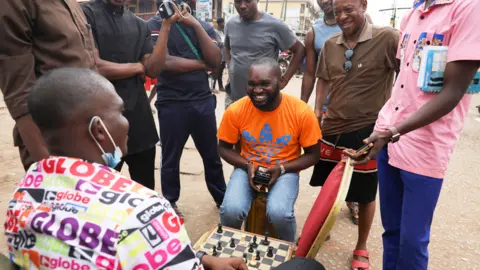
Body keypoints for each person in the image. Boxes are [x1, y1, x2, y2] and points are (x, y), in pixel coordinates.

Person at [4, 68, 248, 270]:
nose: (126, 121)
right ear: (99, 130)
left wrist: (200, 259)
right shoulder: (142, 210)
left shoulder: (22, 195)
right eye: (120, 112)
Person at [345, 0, 480, 269]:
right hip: (390, 141)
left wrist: (393, 131)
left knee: (412, 241)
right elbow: (403, 82)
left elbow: (453, 92)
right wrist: (382, 128)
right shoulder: (413, 14)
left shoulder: (468, 9)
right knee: (391, 232)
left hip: (426, 147)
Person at [310, 0, 399, 268]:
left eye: (348, 9)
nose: (342, 16)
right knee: (329, 186)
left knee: (365, 193)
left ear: (363, 4)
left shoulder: (388, 38)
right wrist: (317, 113)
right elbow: (323, 79)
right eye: (337, 12)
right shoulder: (330, 44)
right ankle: (322, 230)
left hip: (367, 131)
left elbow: (405, 75)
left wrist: (393, 121)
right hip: (332, 127)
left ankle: (361, 247)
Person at [217, 58, 322, 242]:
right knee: (231, 210)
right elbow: (224, 148)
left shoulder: (301, 112)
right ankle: (229, 251)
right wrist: (247, 165)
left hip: (285, 170)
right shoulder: (236, 110)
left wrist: (281, 168)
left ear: (281, 82)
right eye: (252, 84)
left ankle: (289, 251)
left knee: (280, 213)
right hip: (247, 167)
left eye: (265, 84)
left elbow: (314, 154)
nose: (257, 90)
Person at [80, 0, 176, 190]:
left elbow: (154, 70)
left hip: (139, 123)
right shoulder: (85, 14)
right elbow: (95, 66)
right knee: (100, 191)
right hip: (101, 121)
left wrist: (166, 26)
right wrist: (137, 66)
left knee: (144, 190)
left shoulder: (140, 25)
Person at [147, 0, 226, 217]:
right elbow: (164, 63)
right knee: (170, 159)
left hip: (202, 100)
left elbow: (216, 59)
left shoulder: (202, 25)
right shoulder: (155, 25)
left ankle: (222, 198)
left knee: (212, 155)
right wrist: (202, 64)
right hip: (171, 103)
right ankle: (170, 202)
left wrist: (196, 26)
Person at [0, 0, 96, 172]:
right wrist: (51, 171)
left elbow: (91, 63)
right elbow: (20, 96)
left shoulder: (71, 4)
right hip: (53, 141)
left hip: (89, 133)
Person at [223, 0, 305, 109]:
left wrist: (284, 80)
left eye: (247, 1)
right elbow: (226, 48)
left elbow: (300, 49)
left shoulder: (275, 25)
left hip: (263, 101)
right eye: (238, 1)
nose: (242, 6)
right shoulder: (231, 24)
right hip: (235, 99)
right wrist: (230, 66)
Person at [212, 17, 226, 92]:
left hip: (224, 55)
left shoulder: (223, 31)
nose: (224, 24)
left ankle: (220, 86)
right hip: (219, 55)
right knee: (216, 71)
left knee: (220, 72)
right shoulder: (215, 32)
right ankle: (213, 87)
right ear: (219, 24)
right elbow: (219, 43)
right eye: (222, 23)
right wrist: (226, 43)